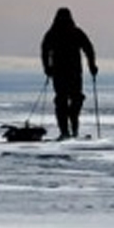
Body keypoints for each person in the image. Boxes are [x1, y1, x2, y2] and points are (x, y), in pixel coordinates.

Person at [41, 8, 97, 140]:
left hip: (66, 73)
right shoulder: (73, 32)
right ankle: (68, 130)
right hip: (69, 73)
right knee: (67, 100)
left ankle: (68, 129)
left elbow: (45, 51)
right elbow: (89, 50)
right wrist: (92, 66)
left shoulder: (54, 33)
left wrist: (47, 68)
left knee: (66, 101)